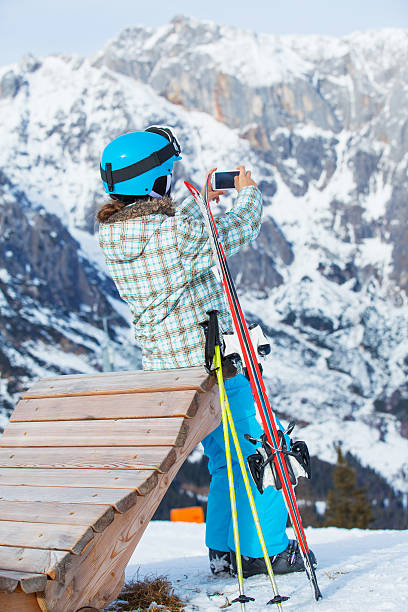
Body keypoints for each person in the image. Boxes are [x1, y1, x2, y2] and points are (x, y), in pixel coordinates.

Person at [97, 126, 316, 577]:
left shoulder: (116, 237)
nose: (174, 178)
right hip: (212, 366)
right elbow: (241, 227)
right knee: (261, 454)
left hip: (165, 373)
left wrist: (202, 208)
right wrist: (248, 189)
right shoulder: (177, 235)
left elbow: (176, 244)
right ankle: (270, 551)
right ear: (155, 181)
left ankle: (224, 550)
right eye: (169, 172)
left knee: (222, 460)